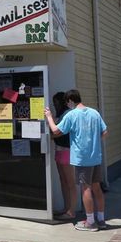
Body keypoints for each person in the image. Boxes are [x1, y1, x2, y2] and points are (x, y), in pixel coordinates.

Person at [44, 89, 108, 232]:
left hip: (81, 158)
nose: (68, 105)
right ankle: (101, 219)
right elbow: (104, 132)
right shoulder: (94, 113)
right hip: (96, 157)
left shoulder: (72, 115)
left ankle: (90, 222)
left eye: (68, 103)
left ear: (70, 101)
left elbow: (56, 131)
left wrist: (48, 116)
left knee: (86, 189)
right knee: (97, 188)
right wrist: (93, 143)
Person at [51, 92, 76, 221]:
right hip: (59, 149)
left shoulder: (67, 114)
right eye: (54, 102)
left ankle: (71, 210)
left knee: (70, 182)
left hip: (67, 150)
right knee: (63, 180)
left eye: (57, 102)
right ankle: (66, 208)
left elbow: (57, 133)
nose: (55, 105)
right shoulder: (60, 115)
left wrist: (49, 119)